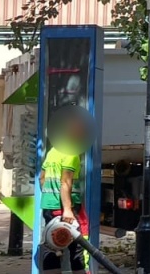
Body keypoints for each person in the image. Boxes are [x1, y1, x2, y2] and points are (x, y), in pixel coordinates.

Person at [38, 116, 89, 273]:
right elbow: (65, 182)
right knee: (77, 245)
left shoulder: (53, 152)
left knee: (53, 243)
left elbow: (42, 178)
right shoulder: (71, 153)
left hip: (49, 205)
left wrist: (51, 196)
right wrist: (67, 208)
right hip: (65, 207)